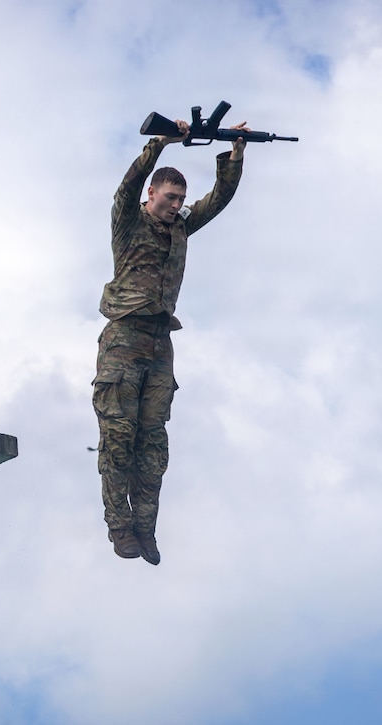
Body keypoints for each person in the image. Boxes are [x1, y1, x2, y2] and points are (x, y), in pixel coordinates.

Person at [93, 118, 248, 565]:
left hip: (161, 345)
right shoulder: (128, 221)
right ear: (152, 196)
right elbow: (127, 186)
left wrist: (234, 156)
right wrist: (160, 144)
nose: (176, 205)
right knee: (118, 437)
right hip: (124, 339)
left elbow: (217, 201)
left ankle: (145, 528)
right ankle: (119, 526)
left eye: (180, 199)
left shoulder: (179, 228)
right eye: (170, 198)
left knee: (153, 444)